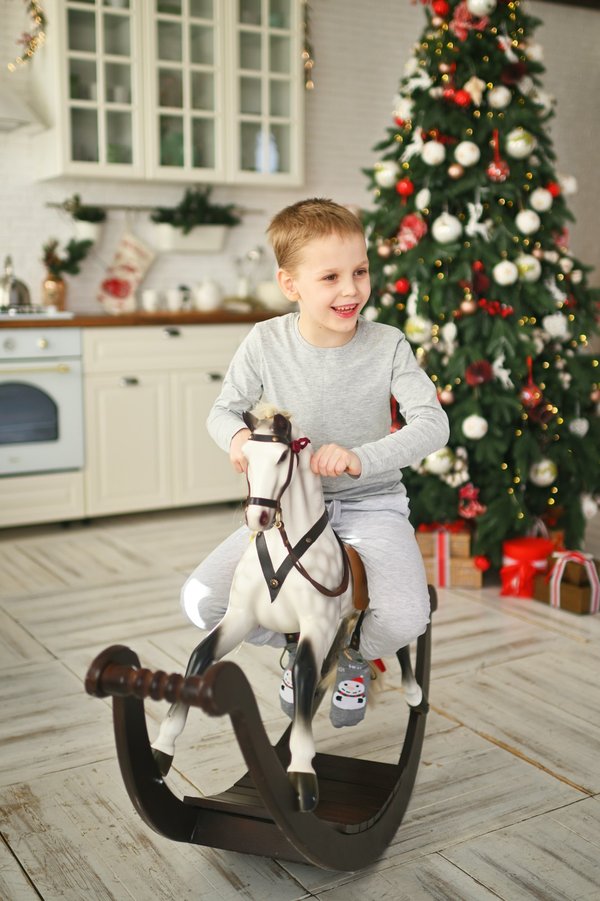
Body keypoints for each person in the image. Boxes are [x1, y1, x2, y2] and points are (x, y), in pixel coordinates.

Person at [181, 197, 449, 725]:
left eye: (360, 271)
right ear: (291, 285)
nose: (351, 289)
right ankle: (303, 640)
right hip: (286, 516)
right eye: (330, 277)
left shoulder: (388, 345)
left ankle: (348, 654)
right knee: (202, 600)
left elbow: (432, 423)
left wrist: (359, 458)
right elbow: (223, 410)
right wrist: (237, 439)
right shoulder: (265, 341)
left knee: (406, 615)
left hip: (372, 506)